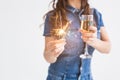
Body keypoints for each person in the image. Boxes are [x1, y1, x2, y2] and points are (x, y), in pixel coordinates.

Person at [43, 0, 111, 80]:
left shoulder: (94, 14)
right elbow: (48, 58)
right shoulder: (54, 16)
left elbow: (108, 48)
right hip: (60, 77)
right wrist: (52, 52)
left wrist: (94, 41)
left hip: (87, 77)